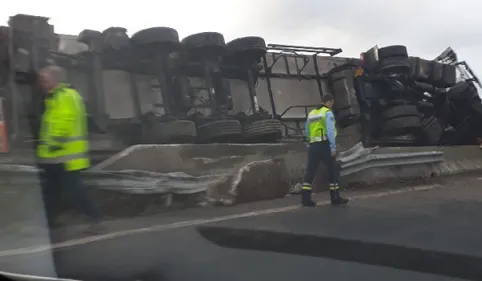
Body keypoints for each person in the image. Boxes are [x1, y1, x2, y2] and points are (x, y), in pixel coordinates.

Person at [36, 65, 102, 232]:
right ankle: (49, 221)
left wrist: (54, 143)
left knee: (74, 192)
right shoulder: (55, 96)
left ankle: (95, 219)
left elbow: (64, 121)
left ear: (56, 80)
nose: (42, 83)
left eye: (45, 80)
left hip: (64, 155)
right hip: (55, 155)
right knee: (51, 191)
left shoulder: (65, 96)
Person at [301, 94, 349, 207]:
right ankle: (335, 197)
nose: (332, 105)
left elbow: (307, 131)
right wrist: (333, 148)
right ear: (330, 101)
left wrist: (311, 141)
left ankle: (305, 199)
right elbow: (330, 131)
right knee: (333, 168)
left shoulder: (312, 113)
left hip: (313, 146)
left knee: (310, 172)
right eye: (332, 102)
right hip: (324, 145)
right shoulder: (327, 113)